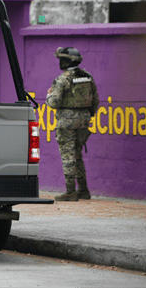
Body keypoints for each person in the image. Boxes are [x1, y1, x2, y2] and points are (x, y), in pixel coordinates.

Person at [46, 47, 99, 201]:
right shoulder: (88, 77)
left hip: (67, 122)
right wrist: (86, 115)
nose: (60, 62)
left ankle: (70, 192)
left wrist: (48, 96)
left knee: (68, 155)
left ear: (68, 61)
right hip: (84, 119)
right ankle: (83, 190)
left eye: (62, 59)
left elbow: (54, 102)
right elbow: (95, 100)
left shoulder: (62, 79)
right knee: (77, 154)